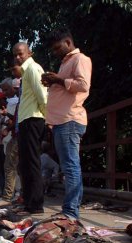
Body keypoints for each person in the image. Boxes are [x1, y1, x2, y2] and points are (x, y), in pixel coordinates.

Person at [43, 29, 92, 219]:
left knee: (71, 167)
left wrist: (59, 80)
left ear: (68, 42)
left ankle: (70, 211)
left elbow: (83, 85)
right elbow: (67, 86)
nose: (55, 52)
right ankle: (71, 210)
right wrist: (54, 82)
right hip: (61, 121)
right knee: (69, 166)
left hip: (70, 119)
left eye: (57, 48)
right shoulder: (66, 62)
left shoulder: (80, 59)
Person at [13, 41, 48, 214]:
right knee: (25, 164)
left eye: (21, 53)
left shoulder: (33, 69)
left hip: (34, 118)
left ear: (29, 53)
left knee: (32, 162)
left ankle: (35, 204)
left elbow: (42, 95)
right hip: (26, 119)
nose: (18, 57)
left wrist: (47, 118)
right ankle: (28, 202)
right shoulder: (25, 72)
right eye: (16, 55)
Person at [0, 79, 21, 206]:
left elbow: (17, 120)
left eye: (6, 90)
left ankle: (9, 196)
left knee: (10, 167)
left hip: (14, 137)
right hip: (10, 138)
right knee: (11, 167)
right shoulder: (13, 104)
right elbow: (14, 119)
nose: (5, 93)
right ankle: (13, 194)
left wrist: (7, 127)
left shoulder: (15, 102)